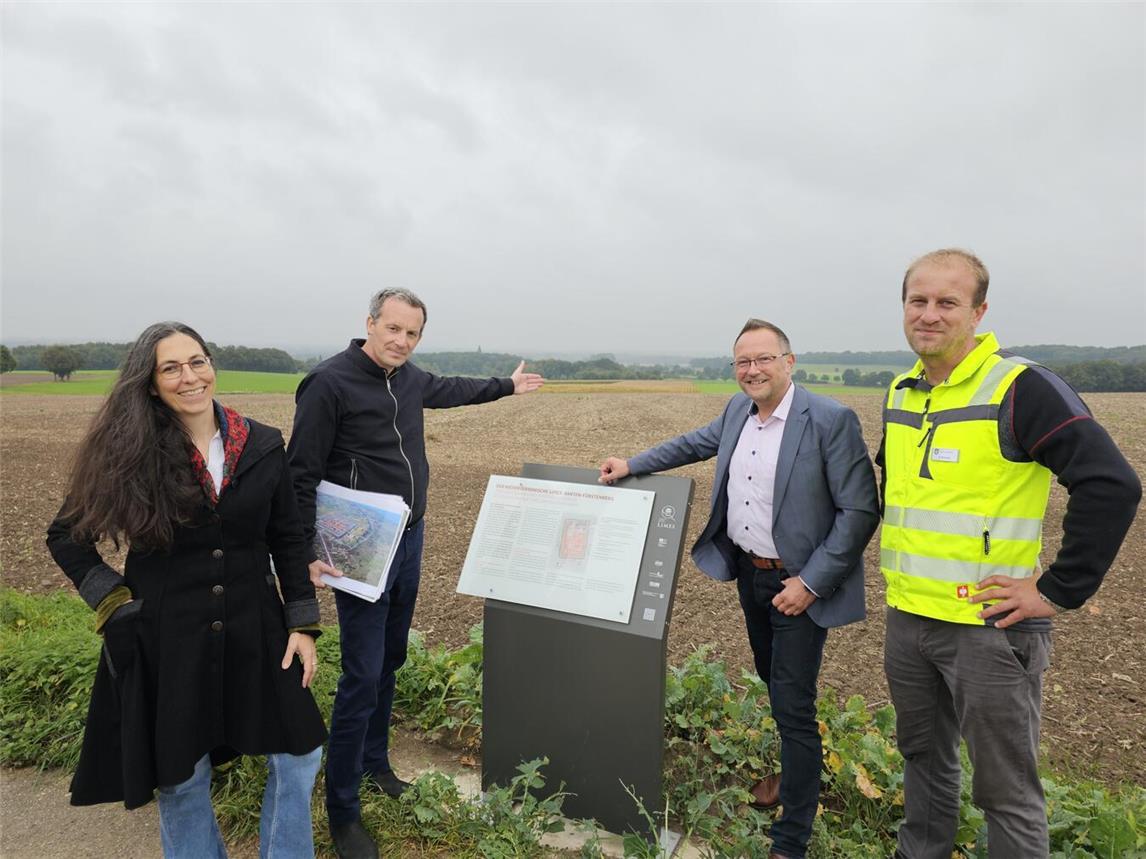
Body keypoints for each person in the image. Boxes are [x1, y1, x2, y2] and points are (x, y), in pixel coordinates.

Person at [878, 249, 1141, 858]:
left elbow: (1111, 484)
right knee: (922, 760)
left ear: (979, 311)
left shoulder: (1021, 387)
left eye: (948, 302)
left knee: (1006, 790)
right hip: (911, 618)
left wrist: (1055, 591)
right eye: (918, 301)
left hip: (990, 628)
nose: (930, 314)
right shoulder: (902, 389)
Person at [46, 322, 328, 859]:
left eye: (197, 361)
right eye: (170, 367)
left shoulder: (263, 443)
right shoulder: (128, 450)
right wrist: (113, 600)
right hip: (166, 634)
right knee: (182, 775)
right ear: (150, 384)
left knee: (299, 754)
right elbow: (66, 536)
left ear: (211, 367)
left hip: (256, 622)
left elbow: (288, 536)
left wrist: (301, 623)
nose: (189, 376)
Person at [599, 318, 879, 859]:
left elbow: (860, 510)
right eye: (742, 362)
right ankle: (791, 777)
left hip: (798, 585)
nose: (752, 370)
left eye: (763, 359)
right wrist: (632, 464)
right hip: (751, 576)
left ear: (789, 362)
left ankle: (792, 836)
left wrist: (812, 584)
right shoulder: (736, 411)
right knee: (775, 689)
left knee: (794, 705)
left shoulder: (828, 419)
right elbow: (693, 444)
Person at [288, 287, 544, 859]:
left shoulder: (408, 378)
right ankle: (343, 810)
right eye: (393, 329)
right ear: (370, 323)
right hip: (356, 544)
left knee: (392, 658)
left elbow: (453, 389)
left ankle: (375, 764)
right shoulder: (329, 384)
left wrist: (507, 384)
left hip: (408, 538)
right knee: (361, 670)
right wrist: (305, 547)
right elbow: (298, 474)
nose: (401, 341)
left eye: (413, 333)